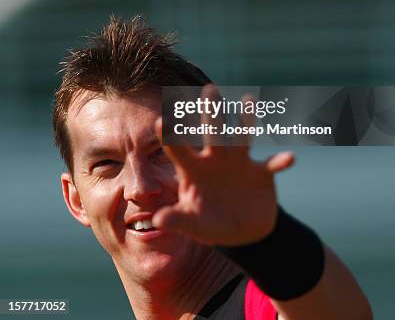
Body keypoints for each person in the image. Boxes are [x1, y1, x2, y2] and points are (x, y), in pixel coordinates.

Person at [53, 16, 373, 320]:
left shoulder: (265, 305)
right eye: (107, 164)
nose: (140, 187)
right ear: (76, 199)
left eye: (164, 153)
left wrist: (270, 239)